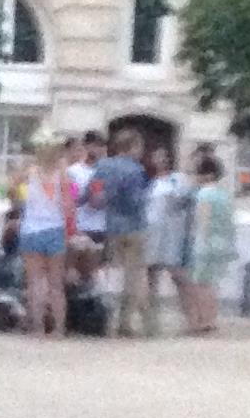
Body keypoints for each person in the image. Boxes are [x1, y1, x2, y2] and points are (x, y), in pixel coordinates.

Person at [85, 128, 152, 338]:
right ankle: (126, 322)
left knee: (113, 273)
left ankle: (108, 318)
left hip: (112, 225)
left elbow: (91, 192)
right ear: (132, 147)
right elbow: (136, 201)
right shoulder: (136, 170)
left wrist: (101, 199)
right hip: (134, 225)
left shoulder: (103, 166)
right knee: (133, 276)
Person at [17, 130, 73, 338]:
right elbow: (68, 204)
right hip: (55, 228)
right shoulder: (62, 174)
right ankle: (59, 328)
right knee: (56, 284)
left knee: (35, 282)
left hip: (31, 229)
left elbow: (14, 189)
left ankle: (38, 327)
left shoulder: (29, 172)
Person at [183, 149, 238, 333]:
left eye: (198, 173)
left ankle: (204, 320)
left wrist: (198, 241)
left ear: (207, 174)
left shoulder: (204, 194)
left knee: (201, 284)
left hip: (206, 244)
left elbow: (203, 222)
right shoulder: (224, 195)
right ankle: (211, 318)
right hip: (223, 242)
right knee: (213, 284)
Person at [141, 145, 190, 337]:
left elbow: (184, 201)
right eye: (156, 157)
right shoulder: (149, 182)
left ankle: (189, 315)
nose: (160, 161)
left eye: (163, 157)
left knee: (177, 275)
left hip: (171, 233)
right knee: (150, 276)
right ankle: (151, 319)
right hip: (151, 232)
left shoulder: (177, 179)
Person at [67, 130, 109, 279]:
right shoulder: (73, 172)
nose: (96, 150)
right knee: (76, 271)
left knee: (94, 272)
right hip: (81, 227)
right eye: (93, 145)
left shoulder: (107, 171)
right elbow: (70, 199)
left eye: (100, 146)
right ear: (86, 146)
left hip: (101, 227)